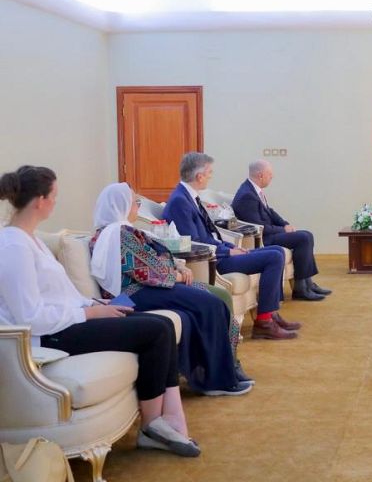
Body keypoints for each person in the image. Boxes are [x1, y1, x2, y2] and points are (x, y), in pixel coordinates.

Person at [0, 166, 200, 457]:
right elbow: (29, 317)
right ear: (40, 200)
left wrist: (94, 304)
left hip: (64, 324)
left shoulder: (30, 240)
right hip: (47, 336)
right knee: (156, 331)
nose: (56, 201)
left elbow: (62, 296)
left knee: (162, 325)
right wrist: (89, 315)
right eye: (54, 195)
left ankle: (164, 420)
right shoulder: (13, 246)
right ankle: (152, 426)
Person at [90, 182, 252, 396]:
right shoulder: (118, 235)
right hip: (129, 295)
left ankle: (222, 368)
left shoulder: (121, 231)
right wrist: (177, 274)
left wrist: (178, 267)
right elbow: (147, 271)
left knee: (214, 297)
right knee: (210, 303)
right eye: (135, 202)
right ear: (122, 205)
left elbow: (159, 257)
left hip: (146, 289)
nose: (138, 206)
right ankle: (216, 381)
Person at [163, 152, 301, 341]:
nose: (211, 176)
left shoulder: (189, 196)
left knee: (276, 251)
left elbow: (210, 234)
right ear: (199, 176)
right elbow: (195, 241)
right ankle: (264, 323)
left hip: (220, 252)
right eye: (209, 172)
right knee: (274, 257)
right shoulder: (180, 201)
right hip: (214, 261)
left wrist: (231, 246)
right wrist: (228, 251)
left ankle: (271, 314)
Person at [231, 160, 331, 301]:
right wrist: (283, 230)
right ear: (260, 175)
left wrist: (285, 224)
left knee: (306, 235)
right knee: (303, 238)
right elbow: (259, 226)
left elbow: (270, 212)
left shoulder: (253, 190)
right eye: (270, 174)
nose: (272, 176)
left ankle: (307, 284)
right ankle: (301, 288)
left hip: (270, 233)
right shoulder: (247, 195)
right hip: (263, 239)